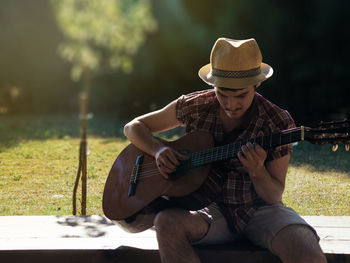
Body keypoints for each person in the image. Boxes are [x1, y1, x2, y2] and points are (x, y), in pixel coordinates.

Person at [123, 38, 326, 263]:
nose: (230, 104)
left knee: (308, 253)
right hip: (205, 210)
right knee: (165, 222)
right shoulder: (195, 105)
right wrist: (159, 150)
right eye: (222, 94)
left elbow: (273, 195)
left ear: (256, 84)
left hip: (260, 211)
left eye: (241, 95)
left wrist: (257, 171)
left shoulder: (277, 120)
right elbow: (133, 127)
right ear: (213, 86)